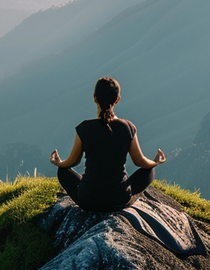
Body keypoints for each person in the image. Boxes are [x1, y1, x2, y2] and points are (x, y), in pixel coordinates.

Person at [50, 77, 167, 212]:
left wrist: (58, 163)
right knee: (149, 171)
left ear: (95, 98)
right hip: (119, 198)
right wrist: (156, 162)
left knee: (63, 172)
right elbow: (140, 162)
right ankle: (124, 197)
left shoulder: (84, 128)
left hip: (88, 200)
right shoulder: (128, 127)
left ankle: (91, 188)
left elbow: (72, 162)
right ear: (117, 99)